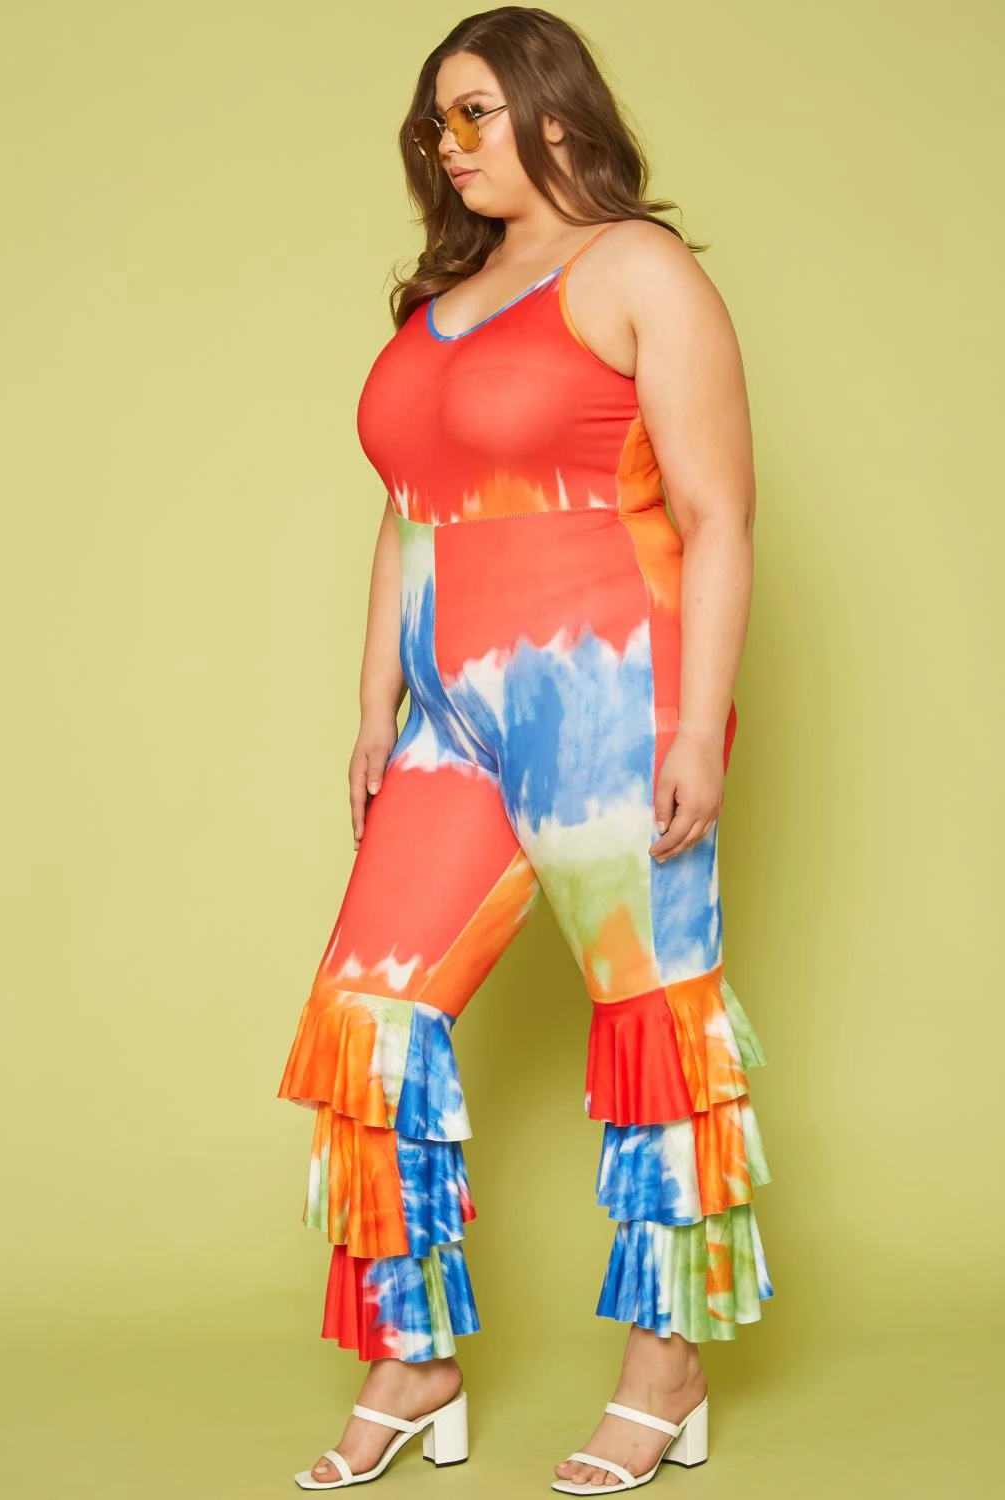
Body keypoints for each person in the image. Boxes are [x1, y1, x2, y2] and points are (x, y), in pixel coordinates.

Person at [277, 5, 773, 1492]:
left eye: (474, 111)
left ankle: (665, 1367)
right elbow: (405, 514)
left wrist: (698, 724)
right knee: (367, 1018)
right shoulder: (441, 299)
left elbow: (719, 515)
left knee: (653, 1023)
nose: (448, 143)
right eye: (434, 121)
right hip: (451, 714)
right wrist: (373, 702)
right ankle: (414, 1355)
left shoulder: (635, 270)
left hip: (609, 696)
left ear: (557, 112)